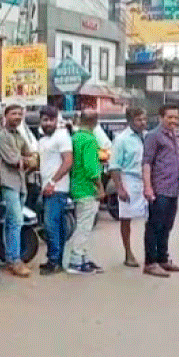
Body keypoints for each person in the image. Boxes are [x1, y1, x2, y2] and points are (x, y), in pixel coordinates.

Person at [0, 104, 37, 277]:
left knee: (12, 221)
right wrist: (28, 160)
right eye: (13, 113)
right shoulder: (0, 136)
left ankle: (10, 257)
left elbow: (31, 154)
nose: (17, 116)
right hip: (8, 182)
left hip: (20, 182)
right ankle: (14, 260)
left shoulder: (18, 135)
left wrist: (29, 160)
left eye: (20, 114)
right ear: (6, 115)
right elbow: (13, 160)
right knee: (16, 221)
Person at [142, 104, 179, 277]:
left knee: (167, 225)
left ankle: (163, 259)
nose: (173, 120)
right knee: (155, 225)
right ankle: (150, 262)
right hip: (159, 189)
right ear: (161, 118)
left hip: (173, 188)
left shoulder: (173, 136)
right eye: (170, 117)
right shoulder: (153, 136)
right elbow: (147, 163)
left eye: (176, 117)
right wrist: (148, 187)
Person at [62, 110, 105, 275]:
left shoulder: (75, 138)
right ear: (95, 122)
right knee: (84, 227)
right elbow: (91, 168)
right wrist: (100, 187)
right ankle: (76, 261)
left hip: (76, 186)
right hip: (87, 189)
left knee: (83, 224)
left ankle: (83, 259)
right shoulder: (89, 140)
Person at [109, 107, 148, 268]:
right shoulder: (121, 139)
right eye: (139, 120)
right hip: (129, 179)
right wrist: (119, 188)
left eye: (144, 119)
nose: (143, 123)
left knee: (152, 218)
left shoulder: (147, 137)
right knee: (126, 219)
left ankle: (152, 253)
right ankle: (128, 253)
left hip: (146, 180)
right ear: (130, 121)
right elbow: (114, 166)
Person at [38, 106, 73, 275]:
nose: (48, 123)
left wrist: (52, 182)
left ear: (56, 120)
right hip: (47, 188)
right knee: (55, 226)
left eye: (51, 120)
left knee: (51, 225)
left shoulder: (62, 136)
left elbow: (67, 162)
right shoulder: (43, 140)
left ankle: (54, 261)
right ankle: (55, 260)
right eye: (45, 120)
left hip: (57, 189)